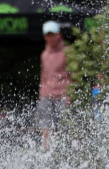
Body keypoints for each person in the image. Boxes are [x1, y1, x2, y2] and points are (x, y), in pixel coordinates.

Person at [37, 20, 70, 148]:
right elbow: (43, 76)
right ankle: (47, 152)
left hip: (63, 95)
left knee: (65, 127)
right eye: (47, 35)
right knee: (46, 127)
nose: (50, 37)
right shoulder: (44, 55)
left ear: (59, 35)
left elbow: (74, 75)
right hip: (47, 96)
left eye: (52, 34)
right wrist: (42, 94)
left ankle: (66, 150)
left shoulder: (68, 52)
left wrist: (70, 96)